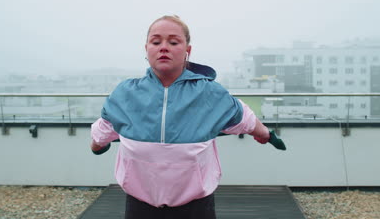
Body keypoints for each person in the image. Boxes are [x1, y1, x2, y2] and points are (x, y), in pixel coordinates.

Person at [90, 15, 286, 219]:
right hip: (140, 207)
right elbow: (104, 127)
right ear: (146, 49)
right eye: (156, 42)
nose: (163, 47)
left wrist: (266, 135)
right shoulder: (124, 94)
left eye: (173, 42)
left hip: (196, 209)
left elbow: (245, 117)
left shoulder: (211, 93)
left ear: (187, 51)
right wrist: (97, 144)